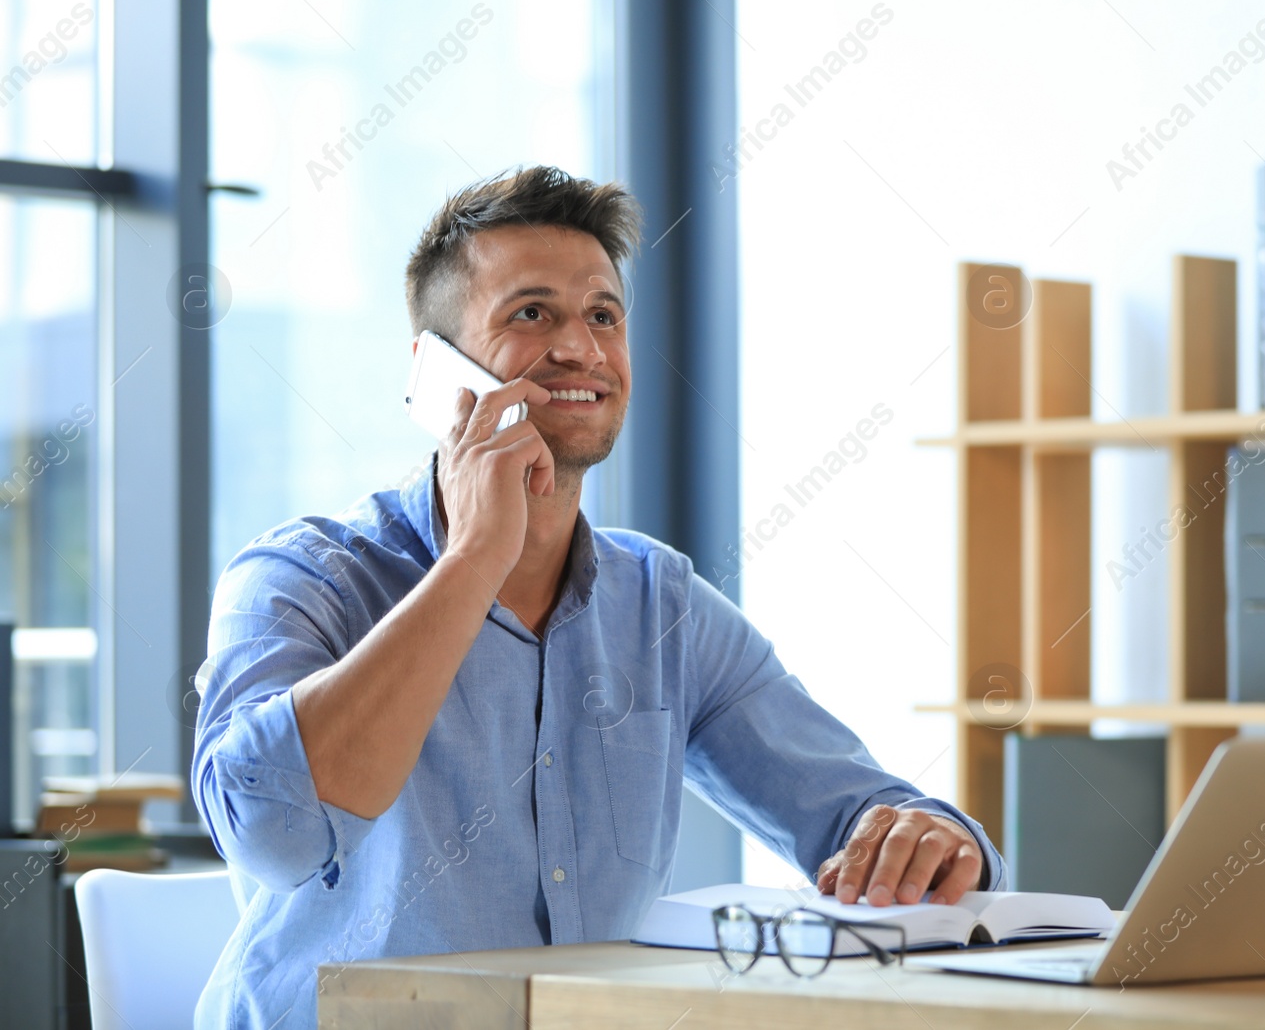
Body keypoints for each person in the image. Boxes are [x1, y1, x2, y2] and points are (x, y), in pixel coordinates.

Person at [192, 166, 1002, 1028]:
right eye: (531, 312)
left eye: (603, 315)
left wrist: (929, 840)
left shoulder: (662, 605)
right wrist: (473, 558)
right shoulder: (300, 577)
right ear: (435, 371)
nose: (581, 347)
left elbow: (848, 809)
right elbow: (272, 835)